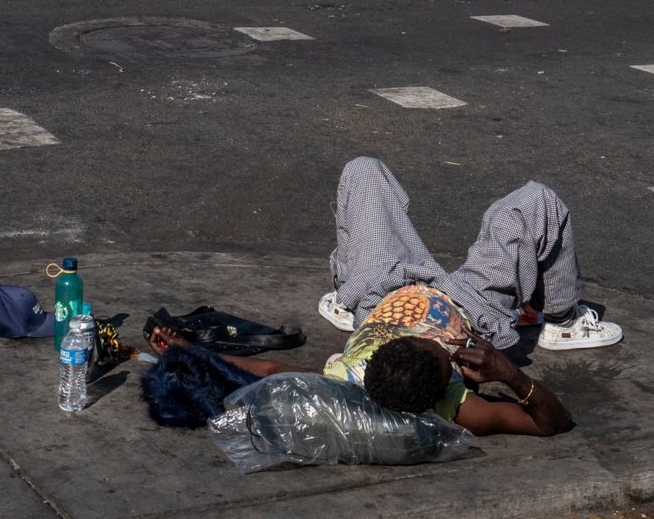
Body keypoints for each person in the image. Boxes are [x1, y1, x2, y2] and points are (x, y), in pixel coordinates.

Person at [151, 156, 619, 436]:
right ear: (446, 381)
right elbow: (551, 423)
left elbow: (268, 370)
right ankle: (564, 317)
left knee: (364, 171)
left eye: (410, 340)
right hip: (469, 303)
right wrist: (508, 373)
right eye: (438, 349)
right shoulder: (458, 405)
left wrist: (190, 351)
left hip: (383, 297)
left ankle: (350, 294)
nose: (427, 337)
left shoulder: (349, 376)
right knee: (532, 202)